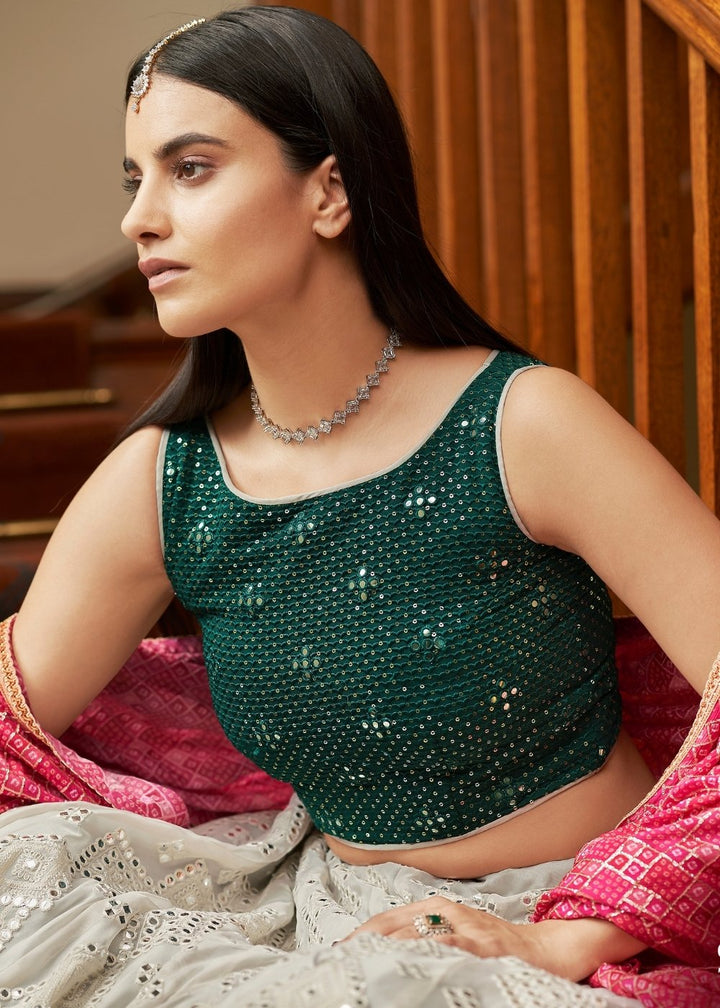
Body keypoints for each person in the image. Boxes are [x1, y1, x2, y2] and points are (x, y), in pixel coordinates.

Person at [1, 6, 719, 1006]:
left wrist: (573, 937)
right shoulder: (167, 481)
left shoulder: (520, 425)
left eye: (190, 169)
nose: (140, 220)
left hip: (581, 925)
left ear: (329, 192)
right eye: (136, 181)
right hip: (336, 922)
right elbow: (12, 722)